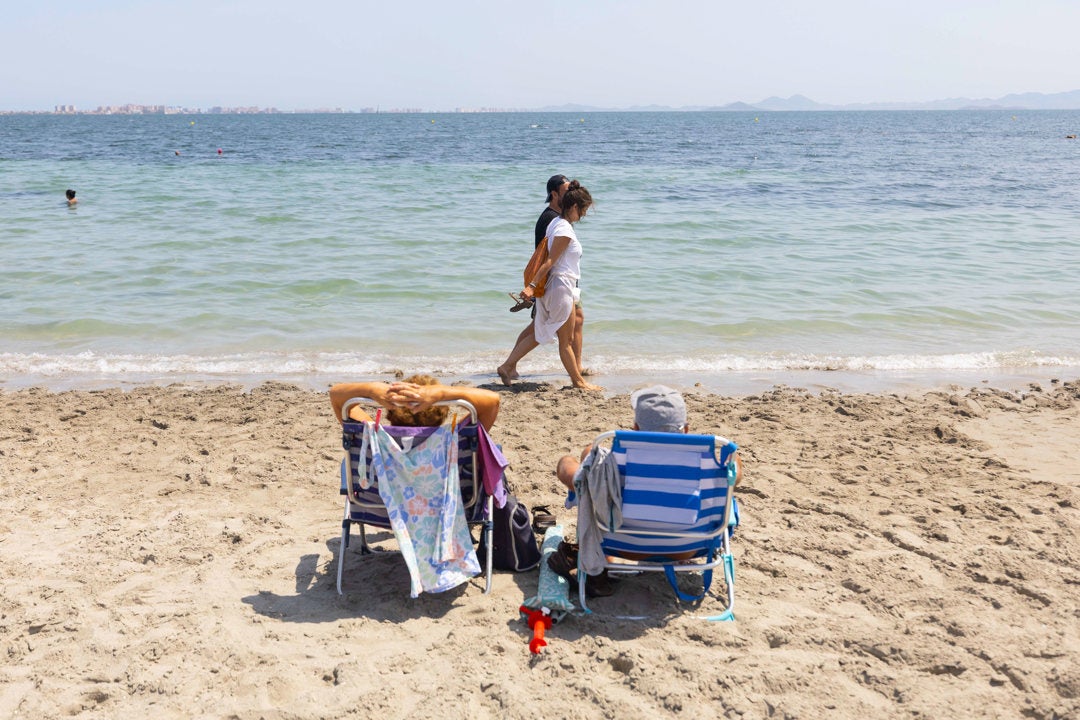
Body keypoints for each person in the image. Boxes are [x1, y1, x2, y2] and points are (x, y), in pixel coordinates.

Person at [550, 385, 741, 594]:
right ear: (686, 429)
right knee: (726, 496)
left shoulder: (611, 460)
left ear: (635, 427)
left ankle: (604, 560)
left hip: (623, 546)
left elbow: (575, 477)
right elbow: (736, 472)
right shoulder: (706, 465)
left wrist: (566, 463)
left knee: (581, 469)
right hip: (688, 548)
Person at [497, 180, 601, 391]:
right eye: (583, 210)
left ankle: (508, 366)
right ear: (573, 207)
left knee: (540, 332)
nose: (583, 215)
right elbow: (549, 261)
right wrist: (532, 286)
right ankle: (578, 382)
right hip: (561, 287)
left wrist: (534, 287)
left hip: (555, 287)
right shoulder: (564, 229)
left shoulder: (555, 223)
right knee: (565, 340)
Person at [329, 375, 500, 431]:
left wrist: (372, 390)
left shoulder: (374, 440)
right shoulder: (454, 440)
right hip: (446, 510)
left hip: (382, 511)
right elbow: (492, 401)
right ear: (442, 412)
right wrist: (441, 393)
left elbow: (336, 395)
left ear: (391, 410)